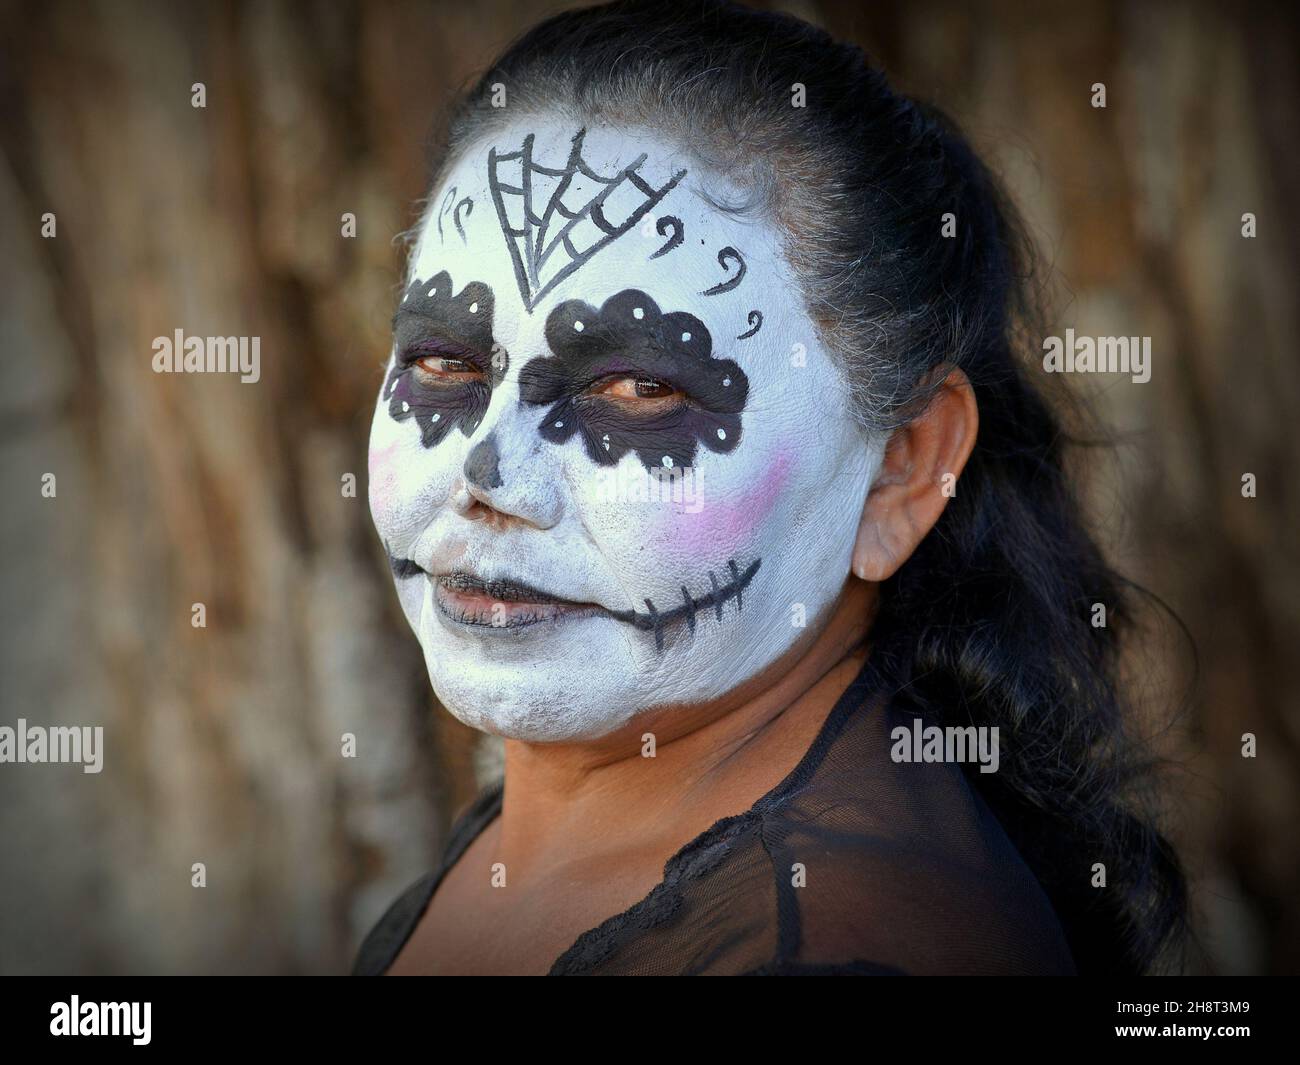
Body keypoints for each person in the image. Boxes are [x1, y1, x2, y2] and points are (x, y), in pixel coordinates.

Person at [355, 0, 1186, 975]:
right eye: (447, 363)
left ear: (900, 472)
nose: (488, 476)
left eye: (639, 387)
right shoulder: (602, 809)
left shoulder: (839, 945)